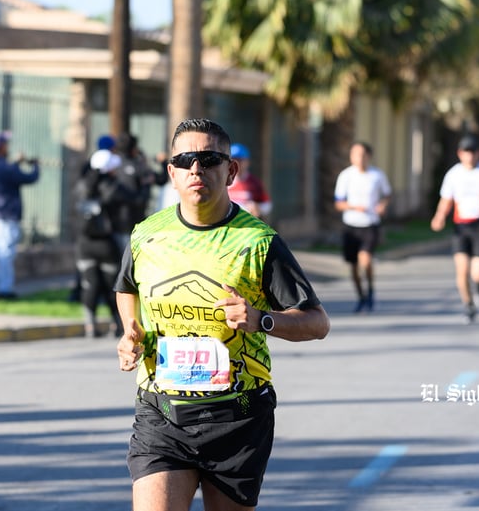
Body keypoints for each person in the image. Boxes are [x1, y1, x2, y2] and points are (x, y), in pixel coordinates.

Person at [114, 118, 330, 511]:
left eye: (209, 158)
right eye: (185, 160)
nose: (196, 168)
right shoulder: (146, 235)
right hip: (161, 414)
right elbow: (127, 286)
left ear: (230, 171)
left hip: (238, 419)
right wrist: (131, 330)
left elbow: (317, 322)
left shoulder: (259, 242)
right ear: (172, 173)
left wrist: (261, 319)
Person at [431, 135, 479, 324]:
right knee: (461, 271)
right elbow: (446, 200)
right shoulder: (453, 174)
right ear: (460, 154)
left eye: (473, 152)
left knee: (477, 273)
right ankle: (468, 305)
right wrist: (439, 216)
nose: (469, 156)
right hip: (461, 226)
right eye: (466, 153)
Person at [73, 149, 135, 337]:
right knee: (112, 284)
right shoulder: (113, 186)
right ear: (110, 169)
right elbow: (134, 197)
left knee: (90, 283)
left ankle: (90, 326)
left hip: (84, 244)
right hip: (106, 244)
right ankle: (116, 324)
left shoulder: (82, 185)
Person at [333, 142, 392, 312]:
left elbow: (387, 195)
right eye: (355, 154)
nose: (358, 158)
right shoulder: (345, 176)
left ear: (369, 156)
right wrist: (353, 207)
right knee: (353, 266)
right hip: (351, 225)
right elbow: (338, 203)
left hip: (370, 224)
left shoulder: (377, 175)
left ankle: (371, 289)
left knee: (365, 260)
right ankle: (361, 296)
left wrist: (382, 205)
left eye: (362, 154)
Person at [0, 131, 40, 300]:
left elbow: (7, 170)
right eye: (6, 144)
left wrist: (15, 163)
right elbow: (30, 177)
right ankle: (5, 290)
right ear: (1, 147)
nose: (8, 147)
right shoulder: (5, 168)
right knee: (5, 255)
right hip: (6, 217)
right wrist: (34, 165)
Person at [113, 133, 167, 251]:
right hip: (134, 224)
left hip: (112, 226)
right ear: (133, 148)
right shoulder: (138, 166)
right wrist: (163, 162)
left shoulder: (112, 165)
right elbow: (162, 179)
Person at [228, 143, 273, 219]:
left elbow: (267, 205)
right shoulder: (223, 182)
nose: (236, 164)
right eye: (233, 160)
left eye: (240, 160)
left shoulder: (254, 183)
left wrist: (257, 207)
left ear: (247, 162)